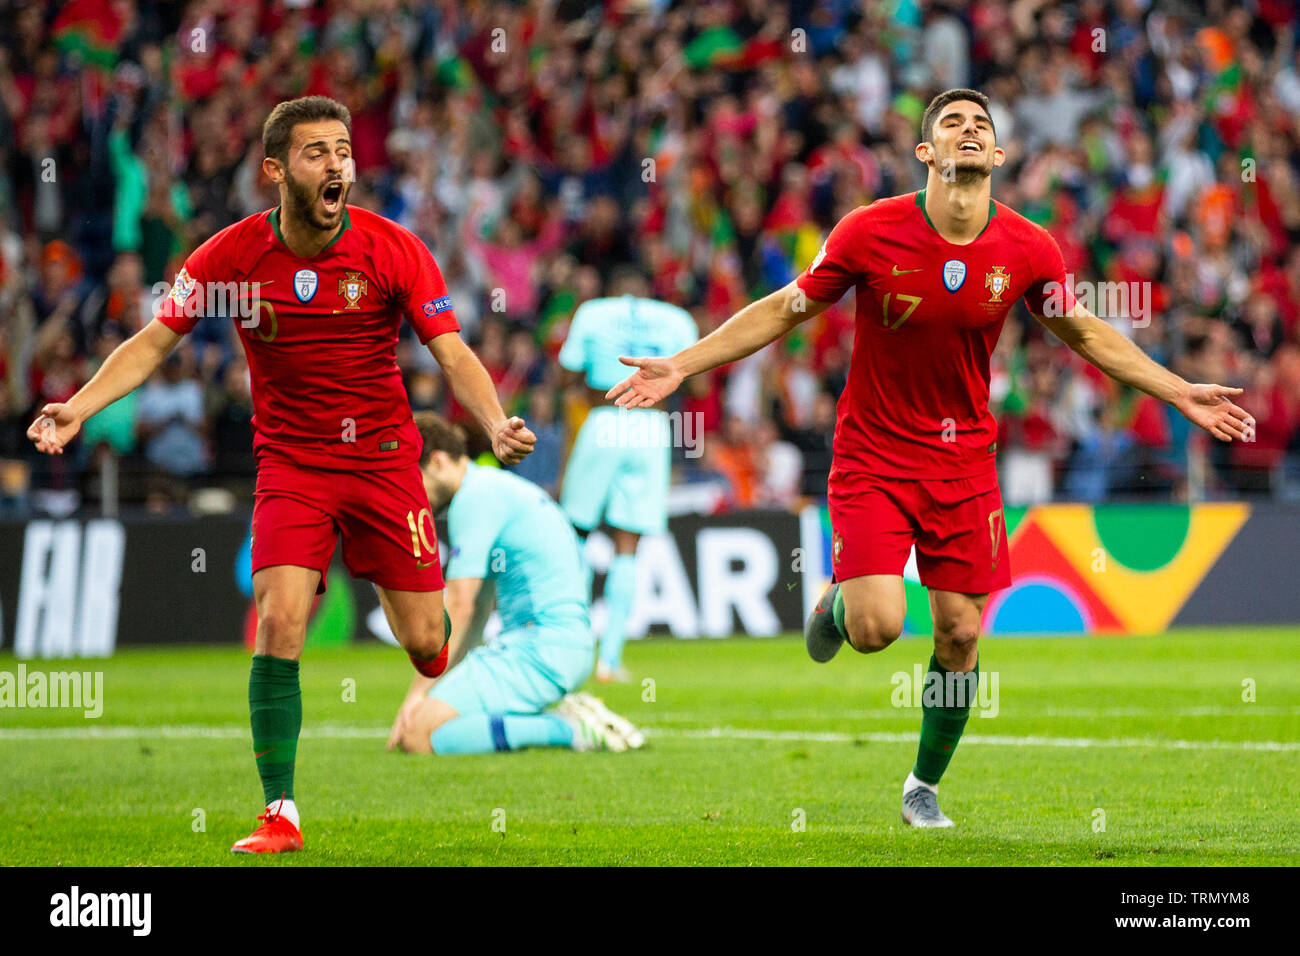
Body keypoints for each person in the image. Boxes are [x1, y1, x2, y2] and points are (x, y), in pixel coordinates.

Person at [606, 88, 1255, 828]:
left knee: (961, 634)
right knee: (879, 627)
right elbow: (785, 308)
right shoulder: (868, 231)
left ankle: (923, 785)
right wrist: (685, 364)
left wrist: (1178, 391)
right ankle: (841, 602)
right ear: (927, 153)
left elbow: (1086, 334)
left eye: (982, 125)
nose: (970, 131)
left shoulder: (1029, 247)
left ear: (999, 155)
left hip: (965, 463)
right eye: (953, 123)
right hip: (873, 455)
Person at [27, 96, 537, 854]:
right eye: (316, 153)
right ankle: (281, 812)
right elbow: (153, 342)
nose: (337, 165)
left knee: (429, 643)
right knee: (280, 619)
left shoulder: (393, 249)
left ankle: (440, 653)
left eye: (343, 151)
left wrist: (493, 422)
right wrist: (78, 405)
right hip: (293, 464)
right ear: (275, 170)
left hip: (383, 463)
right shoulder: (229, 259)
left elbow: (453, 353)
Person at [388, 412, 644, 756]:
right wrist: (439, 686)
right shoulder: (494, 488)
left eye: (414, 481)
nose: (414, 498)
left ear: (436, 462)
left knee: (418, 736)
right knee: (434, 719)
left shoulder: (474, 499)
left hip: (539, 649)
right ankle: (554, 723)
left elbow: (459, 606)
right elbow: (476, 611)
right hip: (559, 646)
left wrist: (417, 695)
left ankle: (568, 729)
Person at [557, 266, 697, 682]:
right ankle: (610, 660)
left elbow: (567, 373)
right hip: (651, 426)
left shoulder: (593, 312)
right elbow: (697, 382)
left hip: (606, 417)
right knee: (627, 546)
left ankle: (571, 649)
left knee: (576, 534)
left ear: (615, 290)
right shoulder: (676, 319)